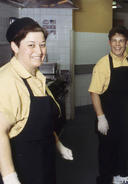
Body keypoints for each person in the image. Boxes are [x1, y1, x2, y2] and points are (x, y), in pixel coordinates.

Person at [0, 17, 73, 184]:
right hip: (23, 170)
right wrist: (10, 177)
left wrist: (57, 143)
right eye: (31, 45)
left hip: (44, 163)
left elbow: (41, 122)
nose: (39, 51)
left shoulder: (36, 76)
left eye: (42, 44)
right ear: (14, 47)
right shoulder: (7, 80)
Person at [89, 26, 128, 184]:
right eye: (114, 41)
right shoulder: (103, 65)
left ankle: (121, 177)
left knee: (125, 149)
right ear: (109, 42)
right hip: (109, 118)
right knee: (107, 153)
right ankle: (105, 180)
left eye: (121, 41)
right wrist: (101, 117)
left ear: (126, 42)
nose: (118, 44)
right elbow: (94, 92)